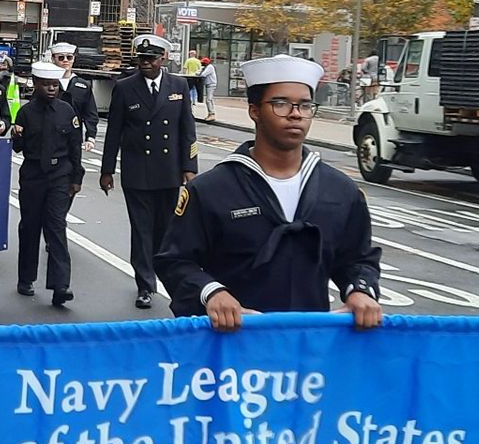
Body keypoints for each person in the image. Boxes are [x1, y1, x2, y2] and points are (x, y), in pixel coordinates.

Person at [157, 55, 383, 330]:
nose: (295, 114)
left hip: (309, 351)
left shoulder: (340, 191)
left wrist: (360, 289)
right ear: (254, 110)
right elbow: (175, 261)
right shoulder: (210, 190)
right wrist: (212, 292)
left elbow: (358, 258)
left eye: (305, 105)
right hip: (233, 350)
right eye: (280, 104)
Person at [101, 35, 199, 309]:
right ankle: (145, 285)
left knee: (166, 231)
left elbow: (188, 131)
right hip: (138, 173)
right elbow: (114, 132)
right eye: (141, 59)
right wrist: (107, 170)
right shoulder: (124, 87)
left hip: (169, 173)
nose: (145, 64)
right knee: (142, 231)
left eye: (151, 59)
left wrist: (190, 168)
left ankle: (170, 280)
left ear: (163, 59)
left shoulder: (178, 85)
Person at [13, 62, 85, 306]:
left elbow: (76, 147)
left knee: (56, 228)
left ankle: (60, 285)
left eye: (55, 85)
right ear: (35, 85)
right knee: (30, 227)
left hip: (59, 175)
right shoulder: (25, 113)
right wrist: (16, 134)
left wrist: (77, 178)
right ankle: (26, 278)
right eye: (46, 85)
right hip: (33, 175)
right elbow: (17, 148)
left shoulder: (67, 111)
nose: (51, 89)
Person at [198, 56, 219, 120]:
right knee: (210, 99)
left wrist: (201, 71)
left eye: (203, 63)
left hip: (211, 84)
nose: (202, 64)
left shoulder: (210, 67)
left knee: (208, 100)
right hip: (208, 84)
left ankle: (212, 114)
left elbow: (203, 75)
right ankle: (210, 114)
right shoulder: (206, 67)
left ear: (206, 63)